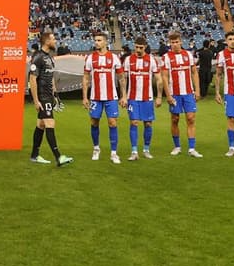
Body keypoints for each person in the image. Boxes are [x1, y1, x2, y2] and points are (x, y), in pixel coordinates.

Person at [28, 32, 73, 166]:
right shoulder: (38, 57)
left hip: (48, 96)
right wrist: (36, 101)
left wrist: (55, 95)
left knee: (41, 125)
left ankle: (34, 155)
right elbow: (32, 79)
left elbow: (51, 77)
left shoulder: (49, 57)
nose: (55, 41)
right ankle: (58, 157)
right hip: (42, 97)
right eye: (53, 39)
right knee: (49, 124)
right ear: (47, 41)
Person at [82, 32, 122, 164]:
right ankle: (96, 148)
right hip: (95, 96)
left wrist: (124, 96)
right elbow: (86, 78)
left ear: (105, 42)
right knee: (94, 122)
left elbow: (121, 78)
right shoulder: (90, 58)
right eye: (95, 40)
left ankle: (114, 153)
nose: (96, 42)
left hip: (111, 97)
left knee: (113, 123)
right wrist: (85, 97)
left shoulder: (114, 58)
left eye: (99, 40)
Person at [161, 31, 202, 158]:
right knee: (175, 119)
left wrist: (197, 90)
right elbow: (164, 77)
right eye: (172, 42)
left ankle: (192, 148)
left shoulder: (188, 55)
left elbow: (194, 72)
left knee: (190, 118)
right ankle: (177, 146)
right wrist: (168, 95)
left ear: (181, 42)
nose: (174, 44)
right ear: (170, 44)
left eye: (176, 42)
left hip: (188, 93)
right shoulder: (166, 57)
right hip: (175, 94)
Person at [120, 36, 161, 161]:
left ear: (145, 47)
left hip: (147, 97)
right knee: (134, 122)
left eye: (141, 47)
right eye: (136, 47)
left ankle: (146, 149)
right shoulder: (128, 60)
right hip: (132, 97)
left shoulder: (151, 60)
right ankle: (134, 151)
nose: (138, 49)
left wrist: (159, 97)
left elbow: (158, 79)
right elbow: (123, 78)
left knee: (148, 123)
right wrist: (124, 96)